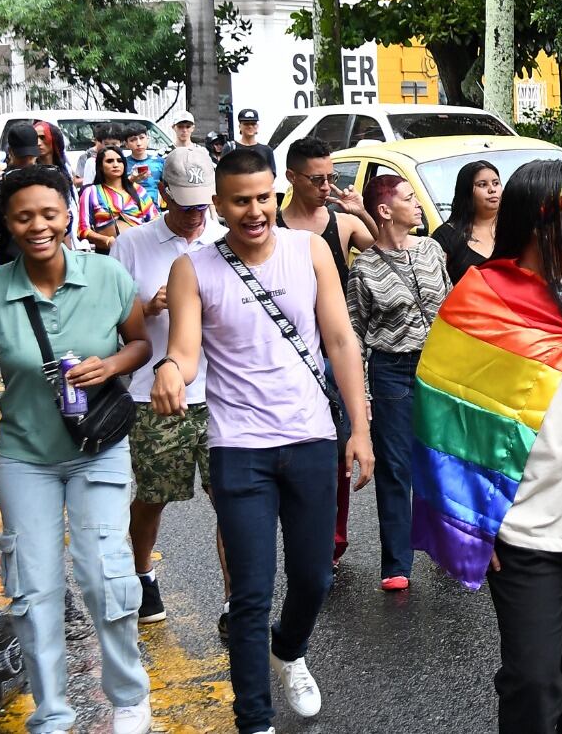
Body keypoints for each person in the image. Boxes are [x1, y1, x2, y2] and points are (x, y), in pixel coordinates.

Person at [411, 160, 562, 734]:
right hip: (523, 533)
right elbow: (444, 409)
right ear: (545, 224)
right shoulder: (484, 297)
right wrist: (470, 520)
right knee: (533, 680)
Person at [154, 147, 374, 734]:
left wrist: (361, 430)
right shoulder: (193, 269)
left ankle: (289, 647)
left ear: (275, 194)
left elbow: (342, 342)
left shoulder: (312, 252)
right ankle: (254, 718)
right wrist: (170, 371)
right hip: (238, 448)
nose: (254, 211)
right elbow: (184, 348)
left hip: (309, 437)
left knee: (314, 578)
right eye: (240, 201)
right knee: (249, 592)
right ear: (219, 205)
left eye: (262, 198)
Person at [0, 164, 155, 734]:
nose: (38, 225)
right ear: (9, 224)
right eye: (24, 216)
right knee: (32, 587)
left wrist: (111, 364)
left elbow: (139, 341)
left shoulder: (109, 276)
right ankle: (53, 713)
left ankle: (128, 698)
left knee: (104, 575)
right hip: (24, 457)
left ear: (68, 214)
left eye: (48, 213)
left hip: (98, 450)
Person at [110, 147, 229, 631]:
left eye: (203, 205)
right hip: (154, 396)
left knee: (232, 500)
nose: (196, 216)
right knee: (153, 496)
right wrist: (151, 307)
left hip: (223, 394)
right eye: (185, 206)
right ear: (163, 195)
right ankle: (143, 573)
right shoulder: (133, 245)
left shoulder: (228, 238)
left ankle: (233, 602)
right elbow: (117, 328)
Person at [346, 174, 451, 592]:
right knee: (395, 467)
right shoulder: (365, 270)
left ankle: (449, 546)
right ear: (386, 211)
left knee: (442, 459)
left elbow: (451, 300)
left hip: (439, 366)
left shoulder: (431, 249)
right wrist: (364, 395)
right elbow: (353, 334)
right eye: (410, 199)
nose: (418, 205)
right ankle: (396, 563)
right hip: (392, 370)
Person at [277, 136, 376, 568]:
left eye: (331, 178)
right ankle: (300, 528)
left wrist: (360, 212)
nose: (325, 186)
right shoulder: (273, 224)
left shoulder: (341, 223)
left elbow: (386, 250)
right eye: (316, 179)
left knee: (340, 445)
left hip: (336, 347)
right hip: (286, 351)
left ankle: (332, 539)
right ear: (292, 177)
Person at [0, 123, 44, 262]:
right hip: (10, 261)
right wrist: (8, 206)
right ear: (11, 152)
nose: (27, 162)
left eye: (30, 156)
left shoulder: (48, 178)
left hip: (44, 256)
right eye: (22, 157)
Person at [78, 145, 161, 253]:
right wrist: (107, 241)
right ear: (100, 166)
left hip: (139, 252)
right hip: (107, 256)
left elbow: (154, 220)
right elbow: (83, 230)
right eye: (109, 161)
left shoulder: (138, 190)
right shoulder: (91, 192)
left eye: (119, 160)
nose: (115, 165)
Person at [431, 159, 500, 286]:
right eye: (482, 185)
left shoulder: (515, 228)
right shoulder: (445, 237)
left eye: (496, 183)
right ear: (466, 192)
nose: (492, 189)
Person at [123, 124, 166, 204]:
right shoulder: (122, 164)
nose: (139, 143)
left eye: (142, 138)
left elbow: (168, 187)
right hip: (130, 211)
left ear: (148, 139)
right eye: (133, 140)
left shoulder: (159, 162)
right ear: (126, 144)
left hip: (154, 211)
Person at [233, 109, 278, 176]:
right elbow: (223, 174)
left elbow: (271, 175)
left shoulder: (266, 150)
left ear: (257, 126)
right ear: (240, 126)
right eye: (246, 124)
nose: (250, 126)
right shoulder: (231, 148)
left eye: (253, 123)